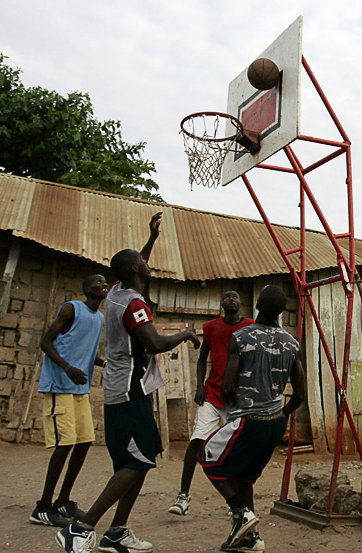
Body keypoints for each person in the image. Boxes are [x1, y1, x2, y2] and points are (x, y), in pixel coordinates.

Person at [57, 213, 201, 553]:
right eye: (142, 263)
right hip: (128, 392)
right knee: (134, 463)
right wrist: (186, 334)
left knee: (140, 460)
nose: (148, 265)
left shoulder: (119, 291)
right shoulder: (133, 303)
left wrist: (150, 240)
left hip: (128, 389)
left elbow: (135, 265)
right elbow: (154, 343)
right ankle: (82, 527)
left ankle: (118, 530)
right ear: (136, 271)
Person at [198, 285, 306, 552]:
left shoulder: (241, 337)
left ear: (256, 305)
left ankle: (240, 512)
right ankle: (251, 537)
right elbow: (300, 395)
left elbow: (225, 387)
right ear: (281, 311)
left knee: (206, 457)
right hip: (273, 423)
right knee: (244, 479)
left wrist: (235, 405)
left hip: (247, 419)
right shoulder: (292, 343)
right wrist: (281, 414)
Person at [31, 274, 109, 527]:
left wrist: (106, 364)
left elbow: (88, 352)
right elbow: (46, 342)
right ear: (87, 289)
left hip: (80, 389)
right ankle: (43, 507)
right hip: (60, 385)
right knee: (64, 444)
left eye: (106, 282)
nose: (104, 285)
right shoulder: (72, 308)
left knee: (85, 441)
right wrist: (66, 367)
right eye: (98, 282)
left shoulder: (99, 318)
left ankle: (63, 501)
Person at [168, 290, 254, 516]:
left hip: (237, 400)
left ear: (240, 302)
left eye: (235, 296)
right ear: (221, 304)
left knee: (236, 450)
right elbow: (202, 359)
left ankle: (236, 503)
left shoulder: (250, 326)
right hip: (213, 395)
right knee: (197, 440)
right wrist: (199, 386)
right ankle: (183, 496)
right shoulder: (211, 327)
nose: (231, 299)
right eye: (226, 297)